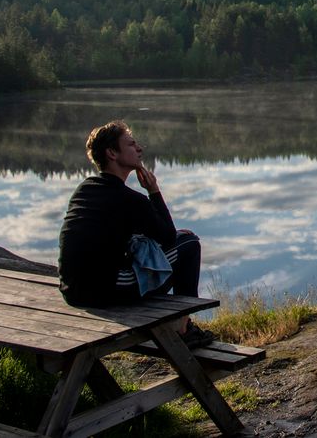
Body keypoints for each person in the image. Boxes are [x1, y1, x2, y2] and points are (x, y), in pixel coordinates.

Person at [58, 120, 214, 347]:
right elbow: (168, 238)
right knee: (189, 244)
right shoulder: (129, 199)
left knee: (176, 241)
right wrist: (154, 191)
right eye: (131, 144)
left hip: (72, 290)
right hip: (102, 291)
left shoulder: (86, 189)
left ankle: (180, 324)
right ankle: (182, 328)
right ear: (112, 153)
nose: (139, 148)